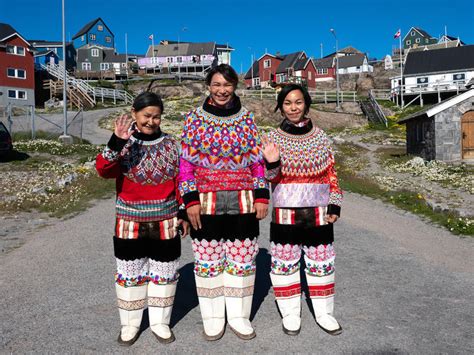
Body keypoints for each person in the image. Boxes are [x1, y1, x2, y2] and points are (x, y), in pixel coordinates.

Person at [178, 64, 269, 341]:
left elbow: (258, 162)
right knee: (208, 262)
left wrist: (262, 195)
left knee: (241, 262)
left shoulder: (247, 119)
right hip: (205, 203)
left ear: (235, 87)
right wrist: (190, 200)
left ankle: (239, 317)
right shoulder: (195, 118)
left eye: (227, 85)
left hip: (243, 201)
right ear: (208, 86)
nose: (222, 91)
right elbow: (185, 164)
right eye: (216, 84)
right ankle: (214, 318)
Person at [96, 92, 188, 346]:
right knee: (130, 275)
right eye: (146, 116)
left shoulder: (170, 144)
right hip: (129, 221)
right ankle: (130, 325)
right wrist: (116, 141)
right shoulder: (123, 143)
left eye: (156, 117)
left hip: (166, 220)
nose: (151, 121)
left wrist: (182, 211)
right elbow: (103, 170)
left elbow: (179, 180)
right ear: (135, 114)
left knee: (165, 274)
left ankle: (160, 322)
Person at [261, 84, 343, 336]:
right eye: (287, 103)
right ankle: (290, 313)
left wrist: (335, 203)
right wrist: (272, 161)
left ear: (306, 104)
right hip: (286, 213)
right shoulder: (272, 138)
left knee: (321, 264)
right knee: (284, 265)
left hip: (318, 213)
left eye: (298, 102)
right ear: (280, 106)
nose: (293, 107)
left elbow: (331, 173)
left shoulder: (320, 136)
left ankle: (324, 313)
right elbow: (269, 178)